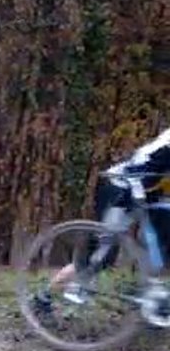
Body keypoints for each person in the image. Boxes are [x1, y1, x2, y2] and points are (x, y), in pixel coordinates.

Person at [33, 126, 170, 312]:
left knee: (160, 242)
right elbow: (140, 165)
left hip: (148, 191)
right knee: (103, 253)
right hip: (121, 187)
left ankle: (150, 295)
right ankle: (47, 295)